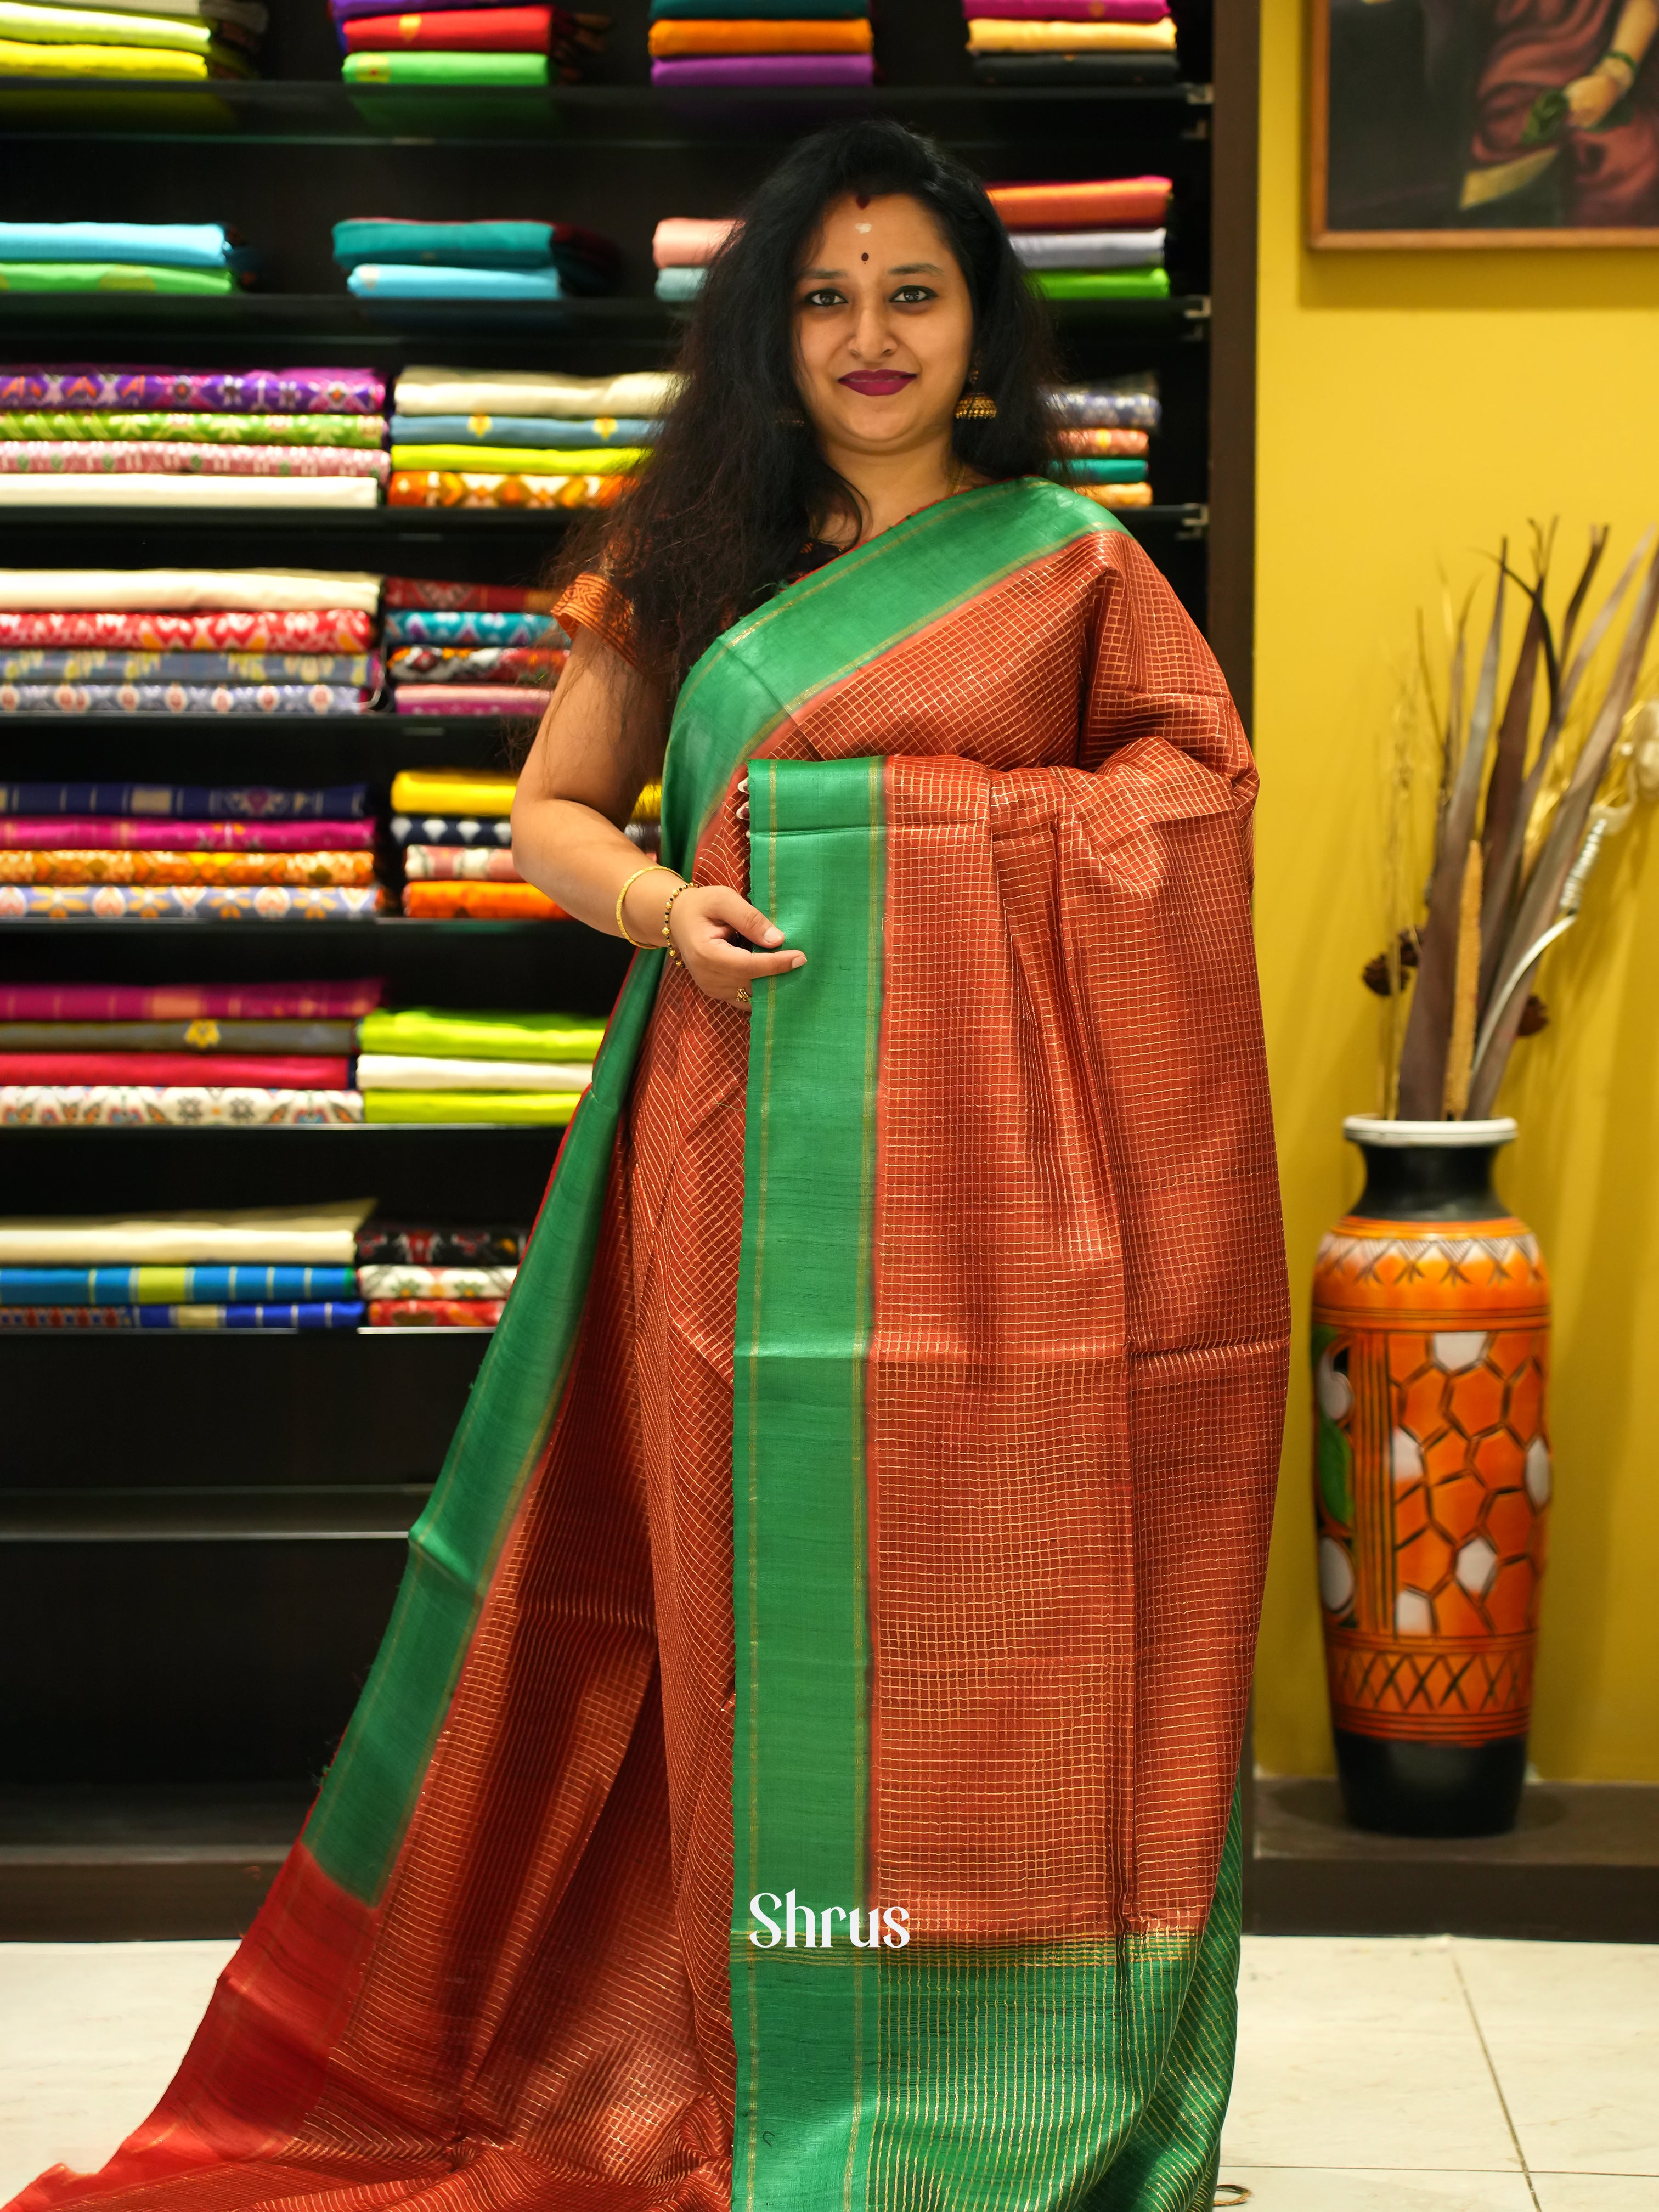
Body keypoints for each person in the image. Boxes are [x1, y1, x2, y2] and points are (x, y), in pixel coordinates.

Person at [11, 120, 1287, 2212]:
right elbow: (550, 814)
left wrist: (921, 834)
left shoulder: (1074, 562)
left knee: (1012, 1613)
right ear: (766, 330)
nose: (870, 336)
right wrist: (668, 908)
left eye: (913, 292)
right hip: (739, 1155)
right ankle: (764, 2052)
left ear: (983, 331)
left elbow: (1192, 801)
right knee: (744, 1622)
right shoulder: (689, 551)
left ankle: (1021, 2077)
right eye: (825, 296)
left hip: (1018, 1226)